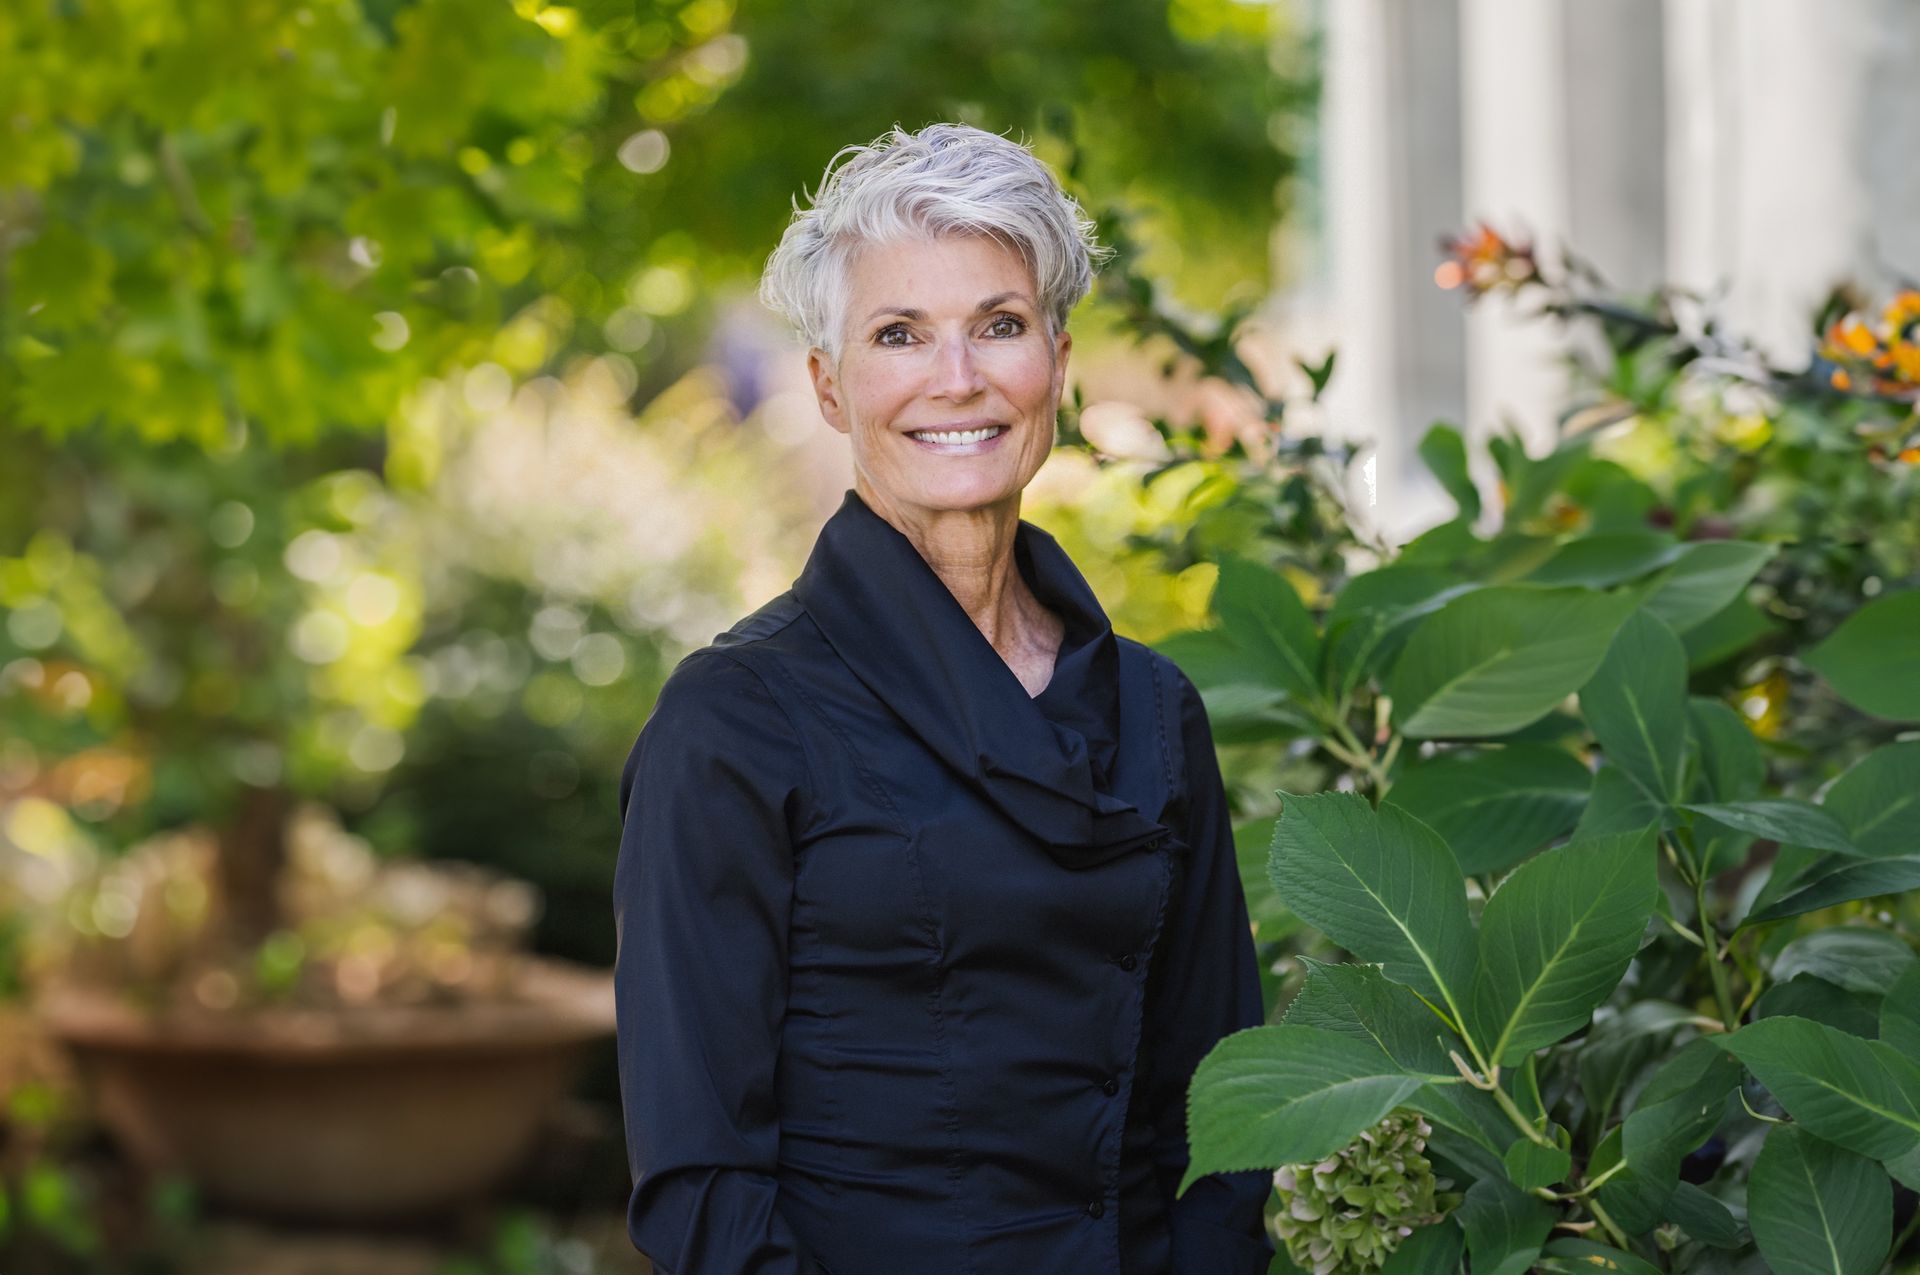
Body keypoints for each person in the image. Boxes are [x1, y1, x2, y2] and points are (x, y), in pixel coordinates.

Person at [612, 121, 1273, 1275]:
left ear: (1056, 363)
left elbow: (1220, 1117)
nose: (956, 378)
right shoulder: (734, 722)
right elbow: (701, 1184)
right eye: (900, 334)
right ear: (830, 386)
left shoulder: (1157, 716)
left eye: (999, 327)